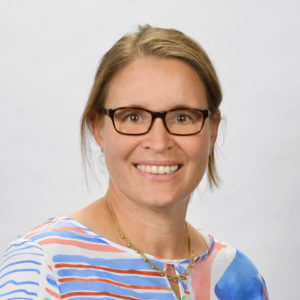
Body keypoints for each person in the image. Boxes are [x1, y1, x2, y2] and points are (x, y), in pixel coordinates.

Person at [0, 25, 268, 300]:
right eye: (133, 117)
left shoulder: (239, 277)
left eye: (182, 117)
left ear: (212, 129)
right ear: (98, 128)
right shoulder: (44, 266)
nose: (159, 141)